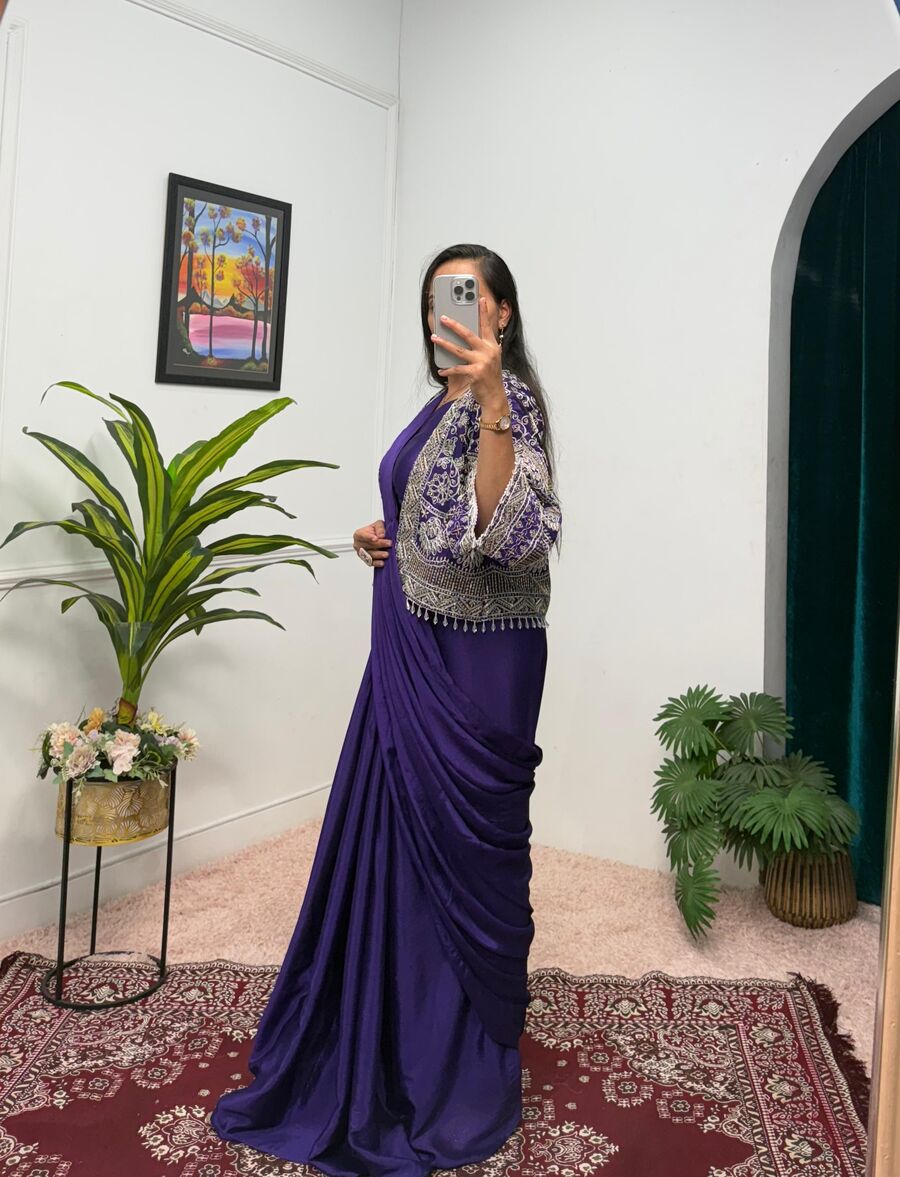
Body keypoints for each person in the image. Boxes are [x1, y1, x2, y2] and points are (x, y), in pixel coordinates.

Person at [210, 243, 562, 1176]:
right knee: (392, 842)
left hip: (479, 663)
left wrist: (493, 399)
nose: (451, 311)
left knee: (462, 846)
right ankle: (381, 1029)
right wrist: (385, 535)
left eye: (468, 295)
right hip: (409, 647)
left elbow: (505, 532)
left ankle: (451, 1066)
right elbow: (429, 520)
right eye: (439, 297)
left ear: (502, 313)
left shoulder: (513, 406)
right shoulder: (435, 404)